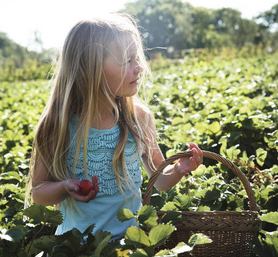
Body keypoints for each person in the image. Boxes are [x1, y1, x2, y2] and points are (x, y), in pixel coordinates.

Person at [26, 13, 203, 241]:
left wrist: (178, 169)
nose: (139, 67)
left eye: (136, 58)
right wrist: (65, 187)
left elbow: (159, 179)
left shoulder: (138, 117)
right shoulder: (57, 125)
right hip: (75, 247)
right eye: (127, 61)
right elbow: (39, 192)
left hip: (128, 244)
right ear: (91, 69)